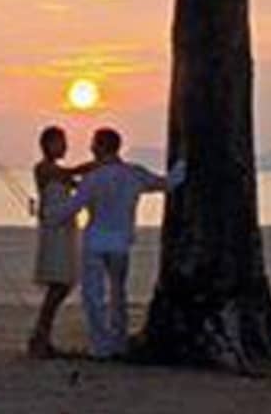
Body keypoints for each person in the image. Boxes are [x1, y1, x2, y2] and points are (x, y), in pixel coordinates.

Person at [51, 127, 184, 359]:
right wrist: (183, 164)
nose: (91, 149)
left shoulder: (93, 179)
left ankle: (102, 346)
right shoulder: (134, 173)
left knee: (94, 296)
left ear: (101, 147)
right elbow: (167, 183)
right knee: (118, 294)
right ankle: (118, 342)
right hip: (120, 242)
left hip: (95, 242)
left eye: (94, 144)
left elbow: (72, 207)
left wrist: (49, 216)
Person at [28, 125, 89, 358]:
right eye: (60, 141)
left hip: (64, 231)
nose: (64, 146)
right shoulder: (44, 169)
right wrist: (98, 165)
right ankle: (40, 337)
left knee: (63, 284)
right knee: (58, 284)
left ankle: (42, 336)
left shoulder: (57, 172)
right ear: (48, 144)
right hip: (54, 233)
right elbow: (70, 174)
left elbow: (79, 183)